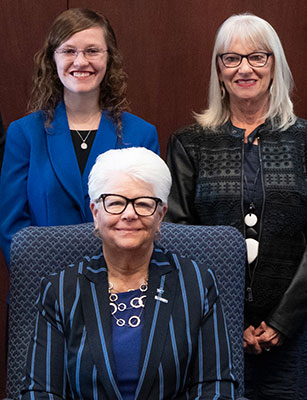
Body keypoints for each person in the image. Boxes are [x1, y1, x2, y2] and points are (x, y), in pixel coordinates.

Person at [165, 13, 307, 399]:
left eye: (257, 57)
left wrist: (281, 322)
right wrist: (230, 320)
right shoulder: (190, 143)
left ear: (274, 65)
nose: (244, 68)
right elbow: (180, 240)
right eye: (231, 58)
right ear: (219, 70)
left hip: (297, 333)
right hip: (209, 330)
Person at [20, 147, 236, 399]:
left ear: (160, 215)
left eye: (143, 203)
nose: (129, 214)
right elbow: (41, 392)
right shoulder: (61, 290)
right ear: (95, 212)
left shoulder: (197, 283)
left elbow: (216, 386)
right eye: (115, 202)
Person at [0, 8, 159, 265]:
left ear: (109, 59)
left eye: (92, 51)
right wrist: (43, 283)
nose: (80, 61)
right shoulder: (24, 134)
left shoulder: (141, 134)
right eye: (69, 51)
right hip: (43, 289)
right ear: (53, 59)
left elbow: (147, 222)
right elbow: (12, 230)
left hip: (118, 287)